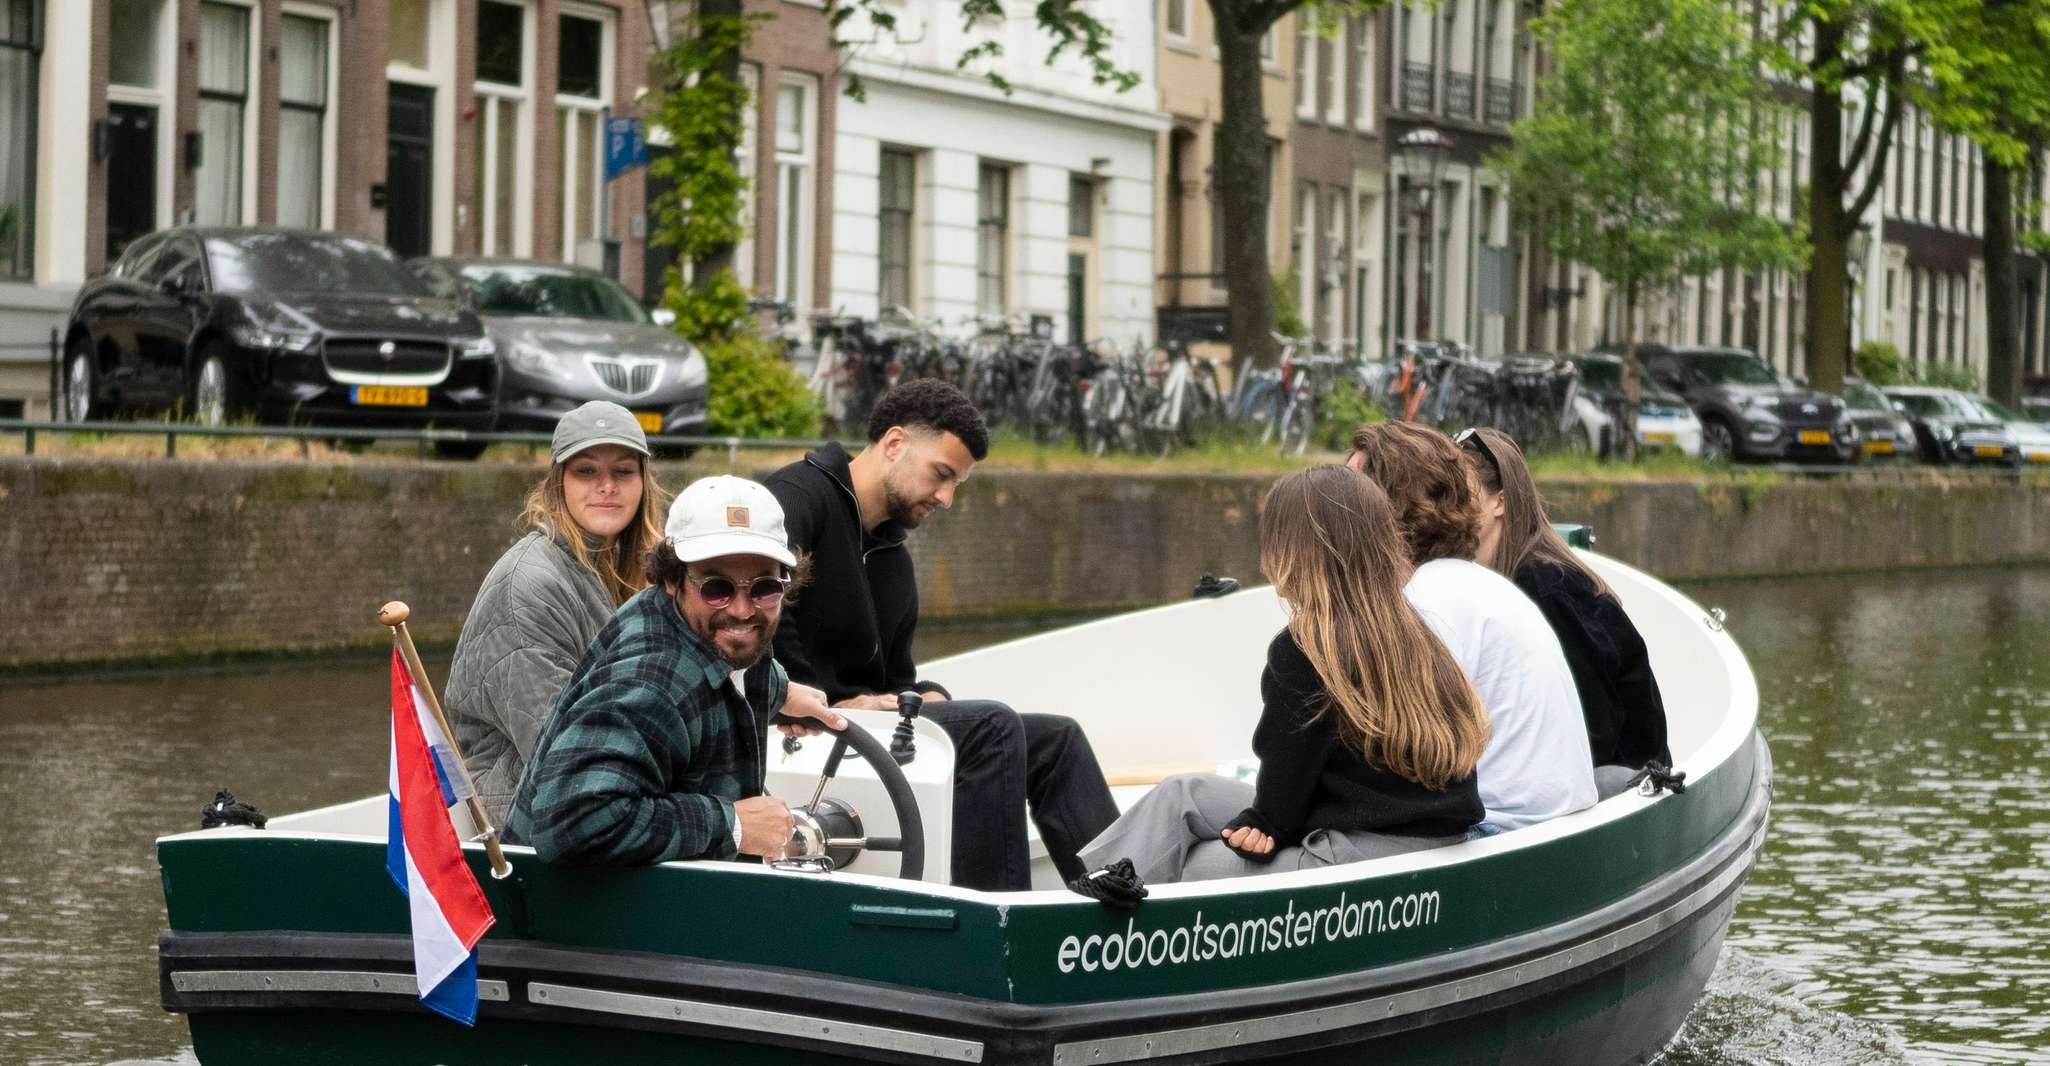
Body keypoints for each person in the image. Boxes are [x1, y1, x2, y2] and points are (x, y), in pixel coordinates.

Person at [763, 379, 1119, 891]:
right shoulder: (795, 500)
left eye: (957, 485)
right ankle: (998, 925)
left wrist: (919, 695)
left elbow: (891, 681)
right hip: (793, 727)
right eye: (942, 475)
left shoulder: (893, 560)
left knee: (1056, 740)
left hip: (861, 730)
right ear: (895, 444)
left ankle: (1130, 908)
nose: (947, 498)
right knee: (993, 728)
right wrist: (811, 700)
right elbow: (757, 614)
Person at [1077, 467, 1490, 883]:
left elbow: (1283, 804)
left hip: (1361, 860)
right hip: (1436, 842)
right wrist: (1262, 820)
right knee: (1182, 794)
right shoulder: (1416, 635)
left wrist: (1265, 825)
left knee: (1181, 864)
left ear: (1290, 550)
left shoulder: (1308, 649)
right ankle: (1091, 890)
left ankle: (1083, 930)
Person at [503, 475, 845, 866]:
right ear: (671, 579)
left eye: (765, 588)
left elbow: (735, 666)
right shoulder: (647, 683)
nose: (742, 609)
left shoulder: (697, 629)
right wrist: (733, 826)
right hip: (579, 920)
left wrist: (779, 692)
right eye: (717, 588)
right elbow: (570, 823)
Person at [1347, 420, 1597, 831]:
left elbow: (1410, 766)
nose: (1332, 506)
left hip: (1498, 832)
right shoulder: (1476, 585)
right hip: (1546, 824)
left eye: (1348, 493)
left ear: (1385, 507)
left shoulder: (1425, 605)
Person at [445, 401, 668, 827]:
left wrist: (773, 695)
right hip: (525, 814)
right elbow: (562, 751)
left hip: (597, 787)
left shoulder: (622, 567)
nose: (607, 486)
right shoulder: (530, 586)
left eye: (623, 471)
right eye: (587, 471)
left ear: (643, 483)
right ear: (558, 482)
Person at [1457, 427, 1671, 780]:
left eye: (1460, 495)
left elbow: (1592, 719)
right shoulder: (1509, 578)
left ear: (1500, 502)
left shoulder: (1545, 588)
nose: (1448, 508)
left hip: (1617, 781)